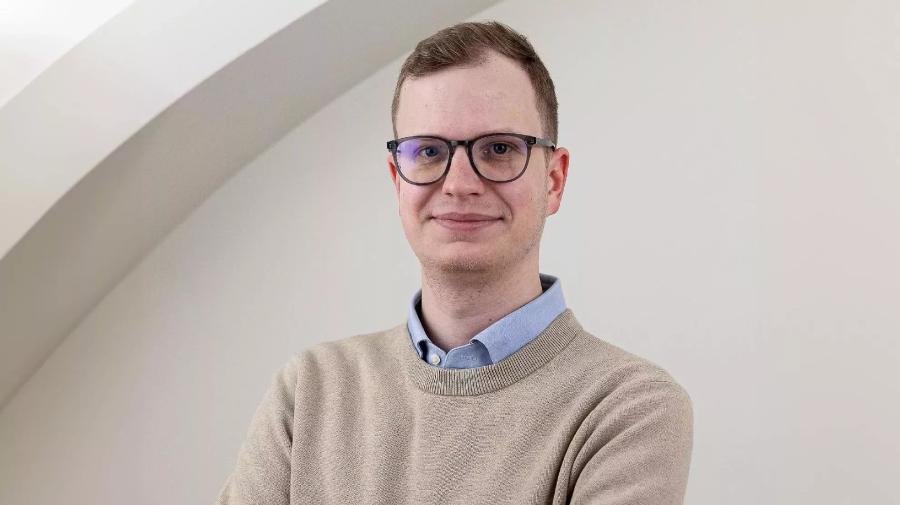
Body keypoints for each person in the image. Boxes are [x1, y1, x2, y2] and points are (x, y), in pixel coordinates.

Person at [217, 20, 693, 504]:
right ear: (397, 180)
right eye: (428, 151)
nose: (460, 183)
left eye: (499, 149)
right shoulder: (309, 391)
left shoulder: (627, 406)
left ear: (553, 180)